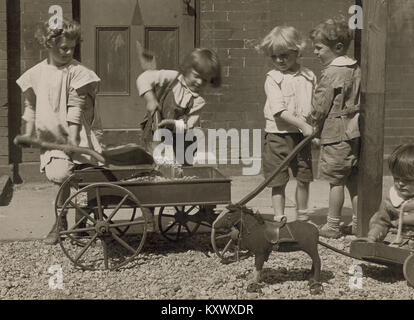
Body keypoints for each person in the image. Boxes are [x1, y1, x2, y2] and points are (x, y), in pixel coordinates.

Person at [16, 19, 103, 245]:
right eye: (63, 47)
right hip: (53, 135)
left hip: (77, 134)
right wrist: (27, 129)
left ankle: (81, 222)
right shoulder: (36, 74)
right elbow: (30, 106)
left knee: (84, 179)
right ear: (48, 44)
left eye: (71, 48)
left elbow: (76, 107)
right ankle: (60, 219)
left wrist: (75, 138)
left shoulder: (77, 72)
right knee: (61, 176)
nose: (67, 52)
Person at [256, 26, 316, 224]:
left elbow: (314, 105)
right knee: (278, 180)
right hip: (278, 135)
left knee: (304, 177)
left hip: (302, 136)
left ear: (297, 52)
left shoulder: (309, 76)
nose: (279, 60)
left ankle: (302, 217)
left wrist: (313, 128)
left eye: (284, 55)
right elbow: (279, 111)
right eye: (274, 57)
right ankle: (279, 217)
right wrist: (304, 126)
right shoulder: (273, 78)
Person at [309, 17, 361, 238]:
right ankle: (360, 223)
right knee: (353, 180)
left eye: (319, 47)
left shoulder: (332, 73)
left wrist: (312, 124)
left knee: (336, 181)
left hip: (335, 133)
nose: (315, 52)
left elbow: (321, 105)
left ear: (337, 48)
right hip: (354, 131)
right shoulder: (355, 67)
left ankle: (332, 225)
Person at [136, 48, 221, 165]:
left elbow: (190, 125)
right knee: (158, 162)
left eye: (205, 80)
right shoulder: (172, 78)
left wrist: (174, 123)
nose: (200, 82)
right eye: (196, 76)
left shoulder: (198, 100)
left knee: (181, 165)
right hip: (155, 131)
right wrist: (150, 99)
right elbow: (144, 78)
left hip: (180, 138)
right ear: (187, 69)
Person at [362, 144, 414, 243]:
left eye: (407, 180)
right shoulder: (391, 199)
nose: (401, 183)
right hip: (396, 240)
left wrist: (404, 219)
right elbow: (381, 221)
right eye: (396, 178)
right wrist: (374, 235)